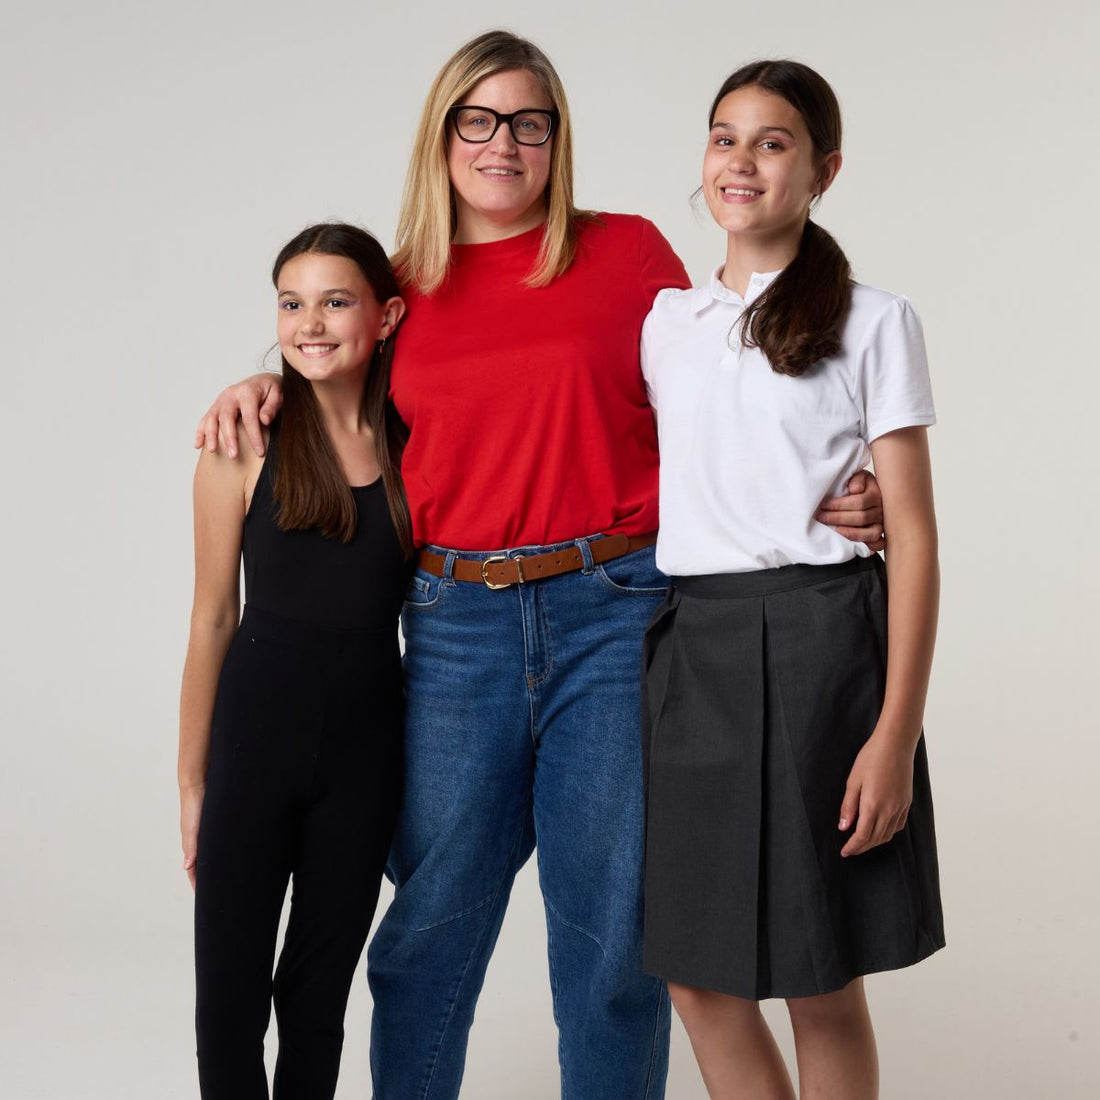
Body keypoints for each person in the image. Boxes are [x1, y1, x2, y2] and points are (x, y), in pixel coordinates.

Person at [193, 32, 887, 1100]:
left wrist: (842, 484)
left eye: (528, 120)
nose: (501, 142)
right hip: (454, 623)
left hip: (615, 612)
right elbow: (323, 370)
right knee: (427, 925)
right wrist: (255, 388)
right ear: (442, 135)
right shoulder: (400, 286)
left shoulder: (628, 255)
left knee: (611, 940)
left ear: (558, 139)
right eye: (477, 118)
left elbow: (736, 396)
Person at [639, 60, 944, 1099]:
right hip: (694, 652)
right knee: (697, 972)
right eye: (723, 136)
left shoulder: (871, 318)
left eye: (770, 142)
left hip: (822, 650)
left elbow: (910, 533)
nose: (739, 161)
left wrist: (892, 734)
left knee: (820, 974)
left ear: (821, 170)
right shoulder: (664, 324)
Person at [178, 223, 409, 1099]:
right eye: (291, 302)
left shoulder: (413, 441)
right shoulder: (243, 442)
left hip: (367, 750)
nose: (310, 322)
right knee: (229, 999)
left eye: (336, 300)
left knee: (317, 996)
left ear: (385, 316)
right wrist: (194, 783)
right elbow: (210, 618)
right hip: (254, 740)